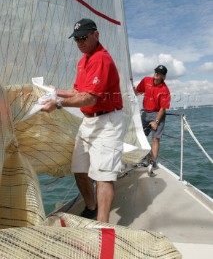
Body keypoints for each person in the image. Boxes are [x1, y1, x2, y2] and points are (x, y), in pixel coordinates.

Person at [41, 18, 124, 223]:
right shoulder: (83, 61)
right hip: (88, 121)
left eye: (83, 38)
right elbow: (77, 92)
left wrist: (58, 104)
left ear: (96, 35)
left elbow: (90, 97)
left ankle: (102, 226)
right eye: (76, 39)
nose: (79, 42)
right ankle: (91, 208)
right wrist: (54, 91)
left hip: (108, 122)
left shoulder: (102, 59)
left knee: (104, 177)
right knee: (79, 170)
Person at [134, 65, 170, 175]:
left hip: (157, 114)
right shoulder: (146, 80)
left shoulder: (165, 90)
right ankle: (141, 157)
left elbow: (163, 108)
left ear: (163, 76)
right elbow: (137, 91)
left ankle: (152, 162)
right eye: (155, 71)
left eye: (159, 73)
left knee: (155, 139)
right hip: (145, 113)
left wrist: (156, 122)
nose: (156, 74)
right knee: (139, 136)